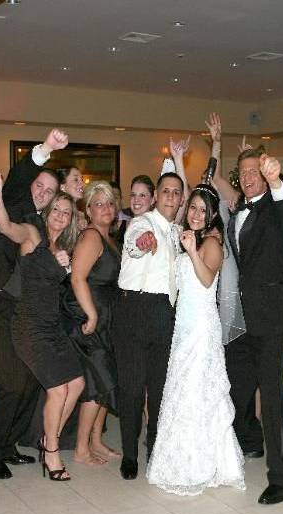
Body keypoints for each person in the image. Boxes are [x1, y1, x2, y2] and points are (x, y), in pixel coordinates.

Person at [0, 129, 69, 480]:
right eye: (38, 186)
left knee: (30, 379)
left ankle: (9, 444)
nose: (42, 193)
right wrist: (45, 149)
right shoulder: (15, 201)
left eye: (49, 190)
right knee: (12, 380)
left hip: (24, 310)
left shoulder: (41, 223)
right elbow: (19, 176)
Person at [147, 184, 246, 495]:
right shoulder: (184, 238)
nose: (196, 214)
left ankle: (202, 463)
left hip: (202, 328)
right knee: (179, 388)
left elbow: (205, 281)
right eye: (193, 208)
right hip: (183, 326)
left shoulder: (213, 244)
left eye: (203, 210)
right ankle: (177, 459)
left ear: (212, 215)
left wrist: (191, 250)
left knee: (196, 391)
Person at [0, 172, 84, 481]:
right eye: (56, 209)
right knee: (57, 389)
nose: (60, 216)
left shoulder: (66, 245)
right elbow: (5, 227)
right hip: (28, 325)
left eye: (66, 213)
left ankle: (46, 437)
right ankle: (51, 451)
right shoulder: (32, 234)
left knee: (78, 384)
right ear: (48, 211)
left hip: (52, 325)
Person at [225, 149, 283, 505]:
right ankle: (241, 445)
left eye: (255, 171)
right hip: (242, 318)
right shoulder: (237, 210)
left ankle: (281, 477)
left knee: (270, 397)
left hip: (270, 317)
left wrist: (276, 179)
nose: (250, 176)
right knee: (235, 387)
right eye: (245, 172)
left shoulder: (274, 207)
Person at [114, 172, 184, 480]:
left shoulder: (178, 232)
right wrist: (143, 242)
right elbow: (133, 244)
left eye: (175, 192)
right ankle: (129, 454)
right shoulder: (141, 222)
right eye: (165, 191)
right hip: (135, 309)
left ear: (181, 199)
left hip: (164, 314)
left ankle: (154, 449)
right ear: (155, 196)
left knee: (158, 389)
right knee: (131, 389)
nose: (170, 196)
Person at [64, 181, 121, 465]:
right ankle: (81, 449)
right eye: (98, 203)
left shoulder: (107, 236)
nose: (106, 208)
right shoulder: (91, 237)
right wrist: (92, 314)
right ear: (87, 210)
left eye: (109, 203)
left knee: (105, 382)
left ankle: (96, 441)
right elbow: (76, 277)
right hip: (89, 317)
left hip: (105, 316)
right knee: (99, 383)